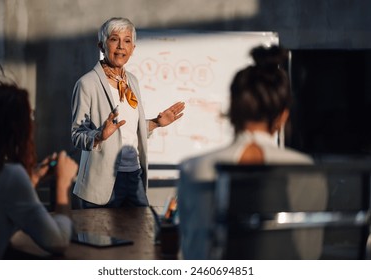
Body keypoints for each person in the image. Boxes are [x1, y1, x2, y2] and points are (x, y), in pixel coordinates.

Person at [177, 45, 327, 259]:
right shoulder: (306, 170)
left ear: (232, 111)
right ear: (283, 116)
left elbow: (193, 253)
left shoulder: (194, 168)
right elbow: (307, 255)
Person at [71, 17, 185, 208]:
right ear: (102, 45)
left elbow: (130, 130)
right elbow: (77, 135)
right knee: (99, 236)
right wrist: (99, 135)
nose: (121, 46)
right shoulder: (87, 83)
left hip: (134, 176)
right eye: (114, 39)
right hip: (102, 182)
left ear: (133, 48)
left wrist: (156, 122)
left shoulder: (131, 81)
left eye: (127, 40)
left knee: (142, 235)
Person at [0, 84, 78, 260]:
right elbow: (57, 241)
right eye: (30, 116)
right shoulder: (10, 176)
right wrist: (63, 184)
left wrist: (33, 178)